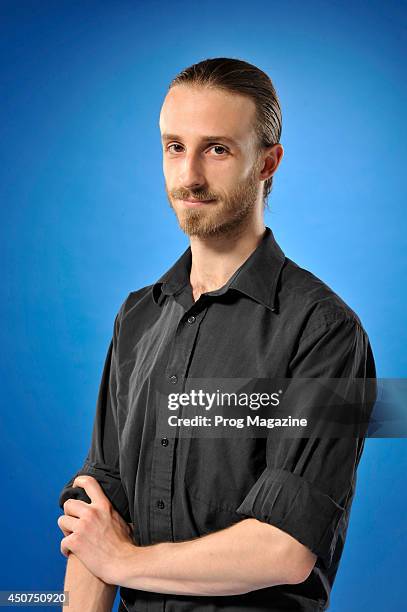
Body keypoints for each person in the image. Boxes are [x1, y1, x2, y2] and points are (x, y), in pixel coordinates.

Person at [57, 57, 376, 612]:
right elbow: (96, 515)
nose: (189, 177)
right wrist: (102, 559)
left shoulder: (326, 332)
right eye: (175, 146)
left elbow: (283, 548)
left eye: (218, 149)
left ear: (268, 163)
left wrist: (123, 561)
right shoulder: (136, 318)